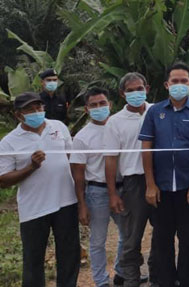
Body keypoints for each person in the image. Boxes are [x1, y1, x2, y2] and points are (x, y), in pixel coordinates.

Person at [138, 62, 189, 287]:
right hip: (161, 190)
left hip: (187, 189)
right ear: (166, 84)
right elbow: (147, 148)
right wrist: (150, 184)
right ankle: (167, 282)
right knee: (162, 241)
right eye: (175, 81)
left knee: (188, 241)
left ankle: (186, 282)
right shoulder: (155, 112)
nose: (179, 85)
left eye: (184, 81)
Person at [0, 91, 79, 287]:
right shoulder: (9, 142)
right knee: (33, 259)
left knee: (69, 254)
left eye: (39, 107)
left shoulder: (58, 127)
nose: (36, 112)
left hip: (66, 201)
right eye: (30, 109)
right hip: (34, 208)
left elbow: (72, 159)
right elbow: (3, 180)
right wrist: (31, 168)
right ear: (18, 115)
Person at [71, 87, 125, 287]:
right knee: (98, 240)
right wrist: (81, 204)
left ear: (110, 105)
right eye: (93, 105)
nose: (99, 107)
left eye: (102, 103)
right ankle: (101, 281)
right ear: (86, 109)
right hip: (97, 192)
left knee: (127, 234)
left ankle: (121, 271)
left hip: (123, 189)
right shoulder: (82, 137)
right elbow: (78, 173)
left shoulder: (119, 127)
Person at [104, 72, 153, 287]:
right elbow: (111, 160)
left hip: (158, 179)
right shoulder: (115, 122)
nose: (136, 93)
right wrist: (113, 193)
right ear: (122, 94)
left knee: (163, 232)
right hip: (133, 183)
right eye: (130, 90)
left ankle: (159, 276)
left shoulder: (157, 111)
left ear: (147, 89)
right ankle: (131, 279)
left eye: (139, 89)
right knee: (133, 238)